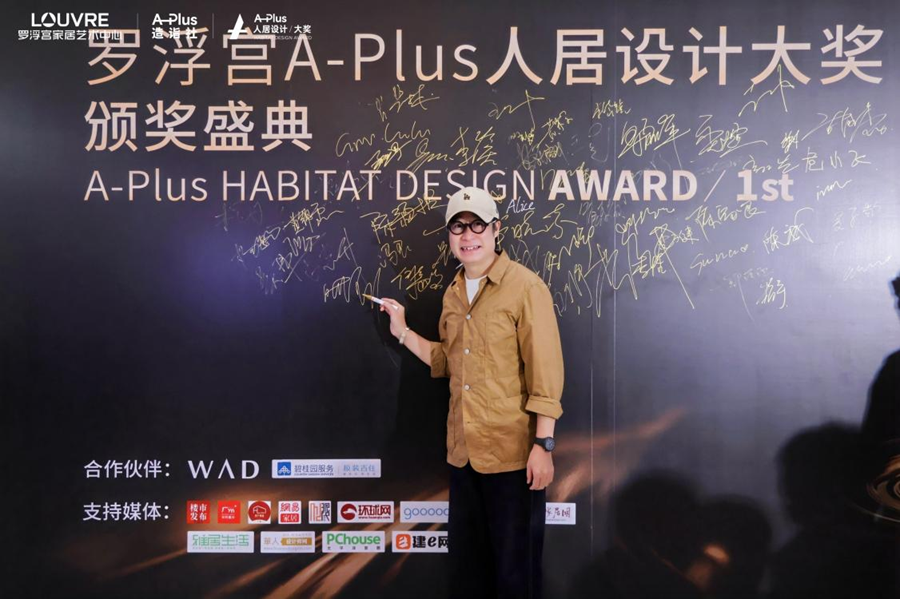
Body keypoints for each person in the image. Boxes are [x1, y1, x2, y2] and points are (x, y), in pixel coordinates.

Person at [379, 186, 564, 599]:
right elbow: (448, 361)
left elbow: (546, 373)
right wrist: (402, 332)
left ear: (496, 230)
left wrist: (543, 444)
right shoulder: (453, 292)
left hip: (513, 457)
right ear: (449, 235)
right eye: (458, 227)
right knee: (469, 573)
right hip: (463, 454)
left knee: (515, 575)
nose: (468, 235)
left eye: (477, 225)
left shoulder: (526, 288)